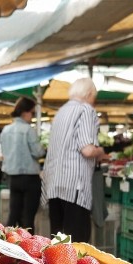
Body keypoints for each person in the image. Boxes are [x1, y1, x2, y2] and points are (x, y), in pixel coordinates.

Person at [42, 77, 106, 242]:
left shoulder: (61, 111)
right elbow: (87, 149)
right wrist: (101, 151)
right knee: (77, 246)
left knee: (57, 243)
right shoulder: (85, 110)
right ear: (89, 93)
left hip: (54, 184)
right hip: (74, 187)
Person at [0, 97, 44, 230]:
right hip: (30, 179)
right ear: (25, 112)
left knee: (13, 216)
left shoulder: (5, 130)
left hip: (13, 178)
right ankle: (29, 248)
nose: (32, 116)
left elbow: (4, 152)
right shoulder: (28, 130)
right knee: (28, 219)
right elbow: (38, 152)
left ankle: (7, 246)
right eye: (32, 112)